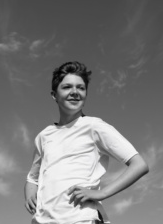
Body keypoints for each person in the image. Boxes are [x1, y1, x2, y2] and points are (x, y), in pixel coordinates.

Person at [24, 61, 149, 224]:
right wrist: (30, 195)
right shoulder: (44, 136)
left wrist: (101, 193)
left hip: (81, 219)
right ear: (54, 95)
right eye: (67, 87)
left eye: (81, 88)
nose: (75, 92)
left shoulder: (94, 126)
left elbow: (139, 165)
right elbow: (32, 178)